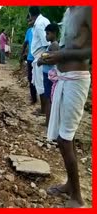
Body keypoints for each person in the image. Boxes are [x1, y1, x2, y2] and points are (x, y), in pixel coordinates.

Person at [43, 6, 91, 208]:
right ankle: (70, 185)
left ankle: (78, 198)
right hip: (64, 79)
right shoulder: (69, 12)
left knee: (65, 138)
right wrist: (53, 55)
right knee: (63, 140)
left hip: (76, 80)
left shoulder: (88, 8)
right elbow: (70, 46)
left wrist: (61, 56)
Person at [29, 6, 50, 116]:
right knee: (40, 83)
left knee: (41, 84)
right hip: (40, 56)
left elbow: (46, 43)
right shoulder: (44, 20)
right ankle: (44, 109)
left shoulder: (39, 24)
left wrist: (43, 58)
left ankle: (43, 110)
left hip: (41, 56)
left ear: (31, 14)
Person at [37, 23, 60, 127]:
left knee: (48, 99)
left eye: (47, 34)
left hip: (50, 75)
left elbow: (52, 61)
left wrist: (41, 62)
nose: (46, 36)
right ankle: (48, 121)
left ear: (54, 33)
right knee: (48, 98)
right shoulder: (51, 45)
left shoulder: (54, 45)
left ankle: (48, 122)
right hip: (48, 75)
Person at [21, 14, 36, 104]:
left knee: (39, 79)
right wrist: (21, 54)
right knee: (30, 78)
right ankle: (33, 98)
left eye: (30, 21)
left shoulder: (40, 30)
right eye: (28, 21)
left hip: (38, 59)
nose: (29, 23)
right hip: (30, 58)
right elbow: (25, 43)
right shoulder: (29, 31)